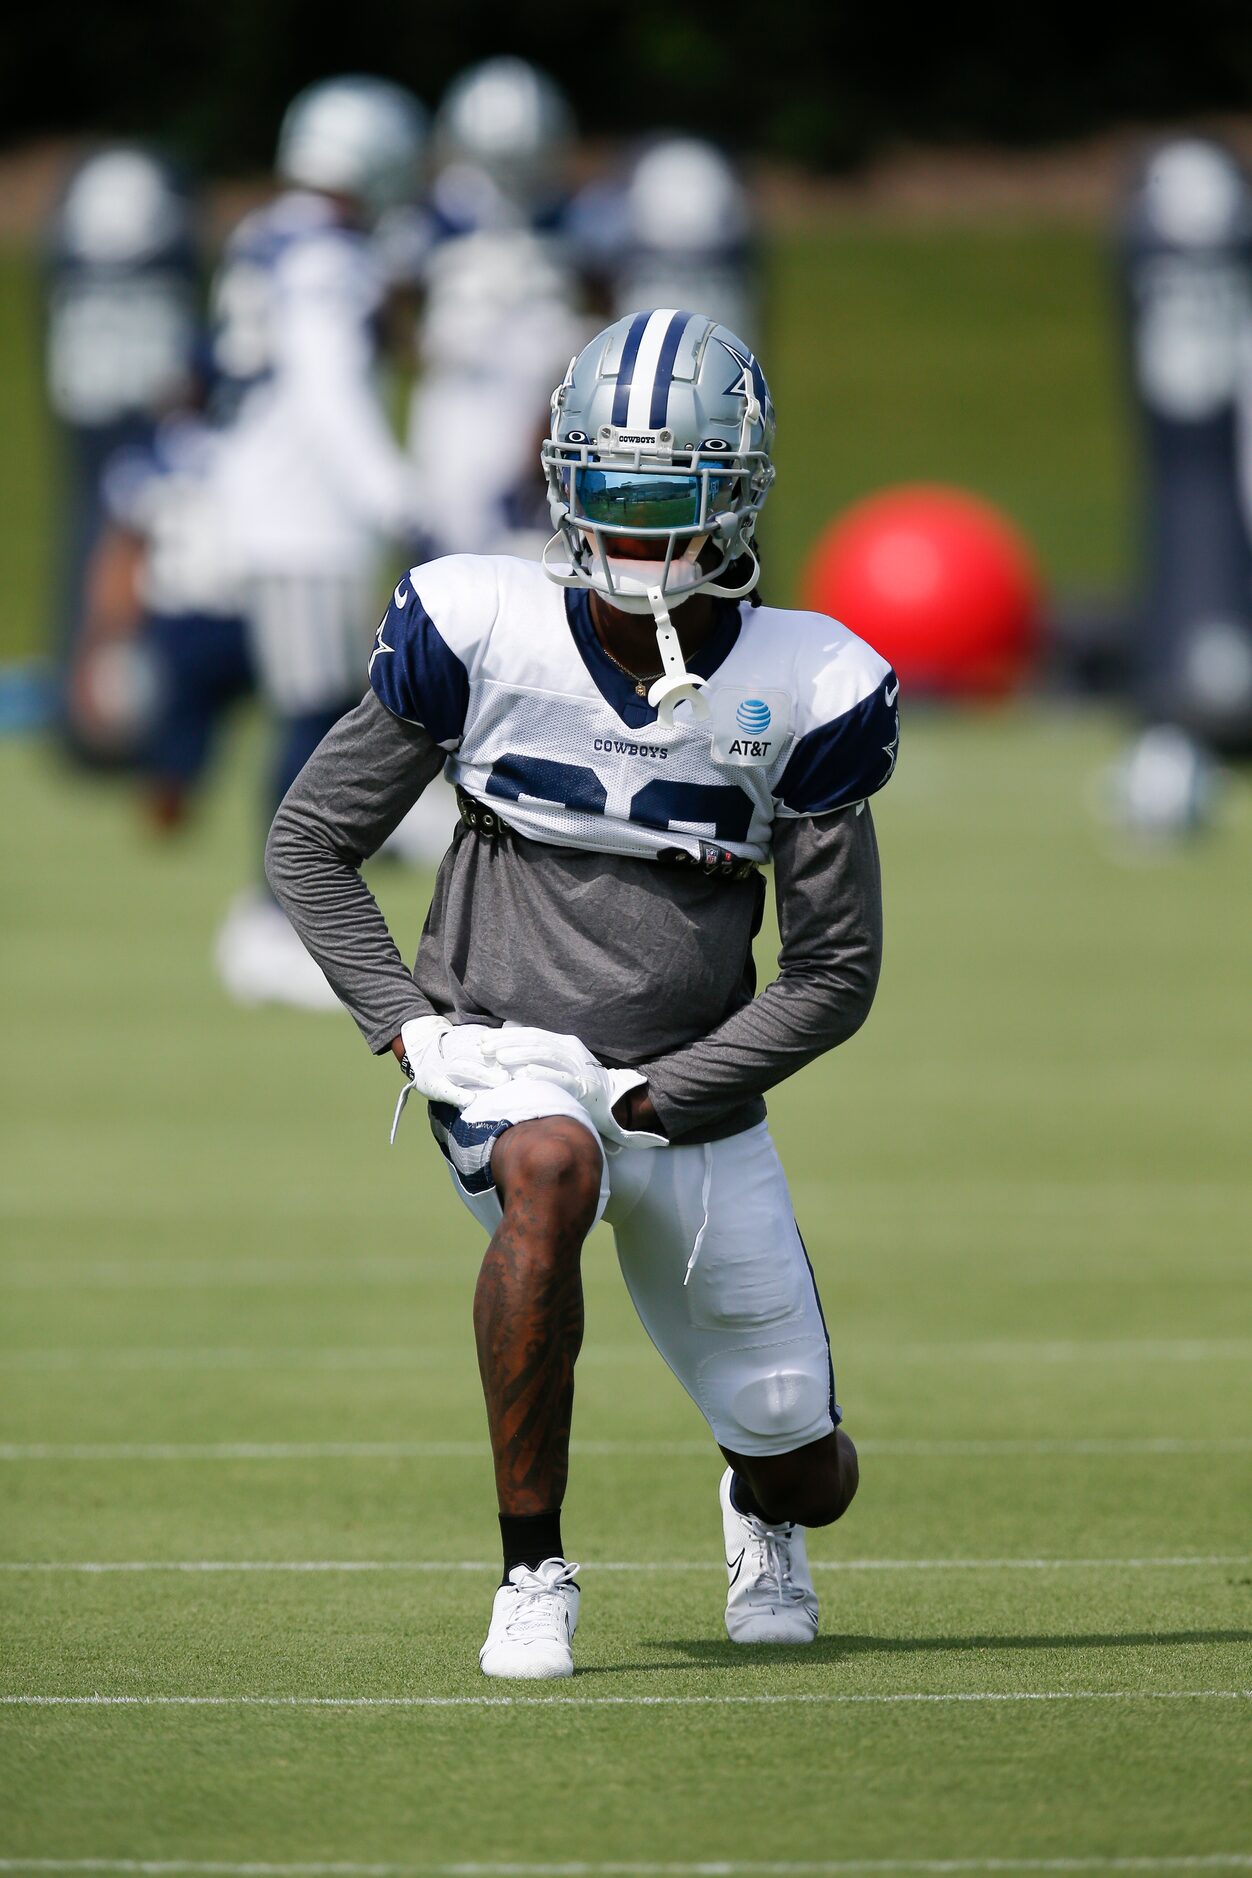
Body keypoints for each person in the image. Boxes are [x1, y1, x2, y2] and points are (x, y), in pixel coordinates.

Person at [266, 309, 899, 1678]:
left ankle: (759, 1503)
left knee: (810, 1466)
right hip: (506, 1050)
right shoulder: (477, 624)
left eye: (666, 495)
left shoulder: (811, 682)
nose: (632, 529)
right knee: (545, 1169)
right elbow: (307, 841)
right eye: (607, 489)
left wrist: (677, 1089)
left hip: (690, 1083)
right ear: (562, 479)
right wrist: (408, 1019)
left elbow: (837, 968)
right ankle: (532, 1568)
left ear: (734, 490)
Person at [211, 74, 430, 1004]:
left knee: (331, 703)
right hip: (300, 514)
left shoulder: (266, 234)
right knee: (311, 719)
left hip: (271, 501)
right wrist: (392, 488)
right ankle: (271, 919)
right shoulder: (323, 255)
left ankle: (314, 885)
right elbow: (326, 385)